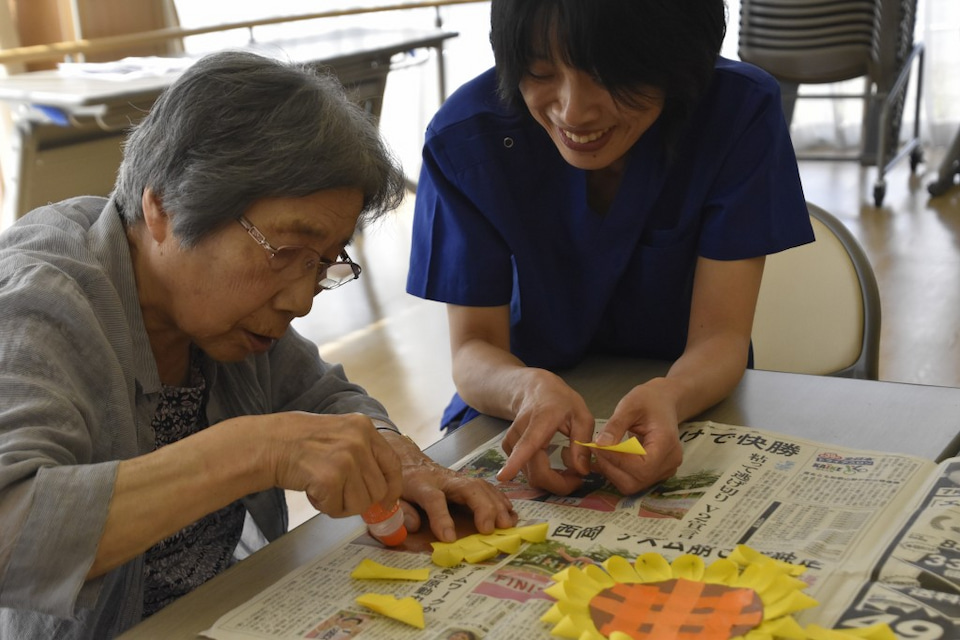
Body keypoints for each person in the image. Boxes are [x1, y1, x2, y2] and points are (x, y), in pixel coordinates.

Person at [0, 50, 516, 638]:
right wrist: (256, 451)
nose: (301, 300)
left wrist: (393, 455)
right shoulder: (41, 300)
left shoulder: (220, 317)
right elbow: (10, 529)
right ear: (163, 205)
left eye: (324, 263)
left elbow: (323, 397)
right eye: (286, 252)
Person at [406, 0, 814, 497]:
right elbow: (474, 349)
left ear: (681, 61)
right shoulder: (468, 138)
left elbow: (721, 338)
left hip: (691, 397)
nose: (573, 111)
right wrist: (525, 390)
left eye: (611, 75)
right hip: (518, 408)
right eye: (539, 71)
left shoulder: (737, 111)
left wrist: (672, 394)